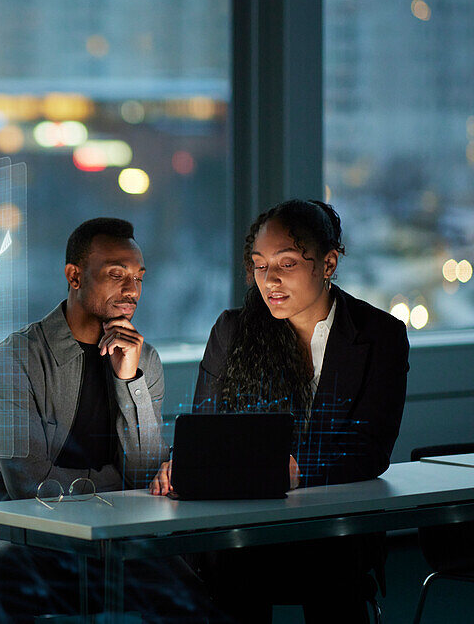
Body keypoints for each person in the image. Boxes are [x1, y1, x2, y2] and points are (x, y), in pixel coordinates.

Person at [0, 218, 213, 623]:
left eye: (138, 277)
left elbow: (146, 474)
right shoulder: (18, 357)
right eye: (116, 275)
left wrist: (129, 381)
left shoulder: (145, 361)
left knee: (190, 586)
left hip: (118, 539)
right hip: (29, 538)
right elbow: (29, 485)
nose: (132, 289)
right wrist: (117, 482)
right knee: (4, 570)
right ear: (74, 276)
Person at [150, 199, 409, 623]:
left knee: (329, 571)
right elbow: (207, 431)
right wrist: (184, 464)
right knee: (232, 569)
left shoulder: (380, 335)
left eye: (286, 264)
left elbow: (370, 449)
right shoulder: (233, 330)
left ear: (328, 263)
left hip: (334, 530)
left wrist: (295, 469)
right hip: (244, 530)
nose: (269, 280)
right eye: (259, 265)